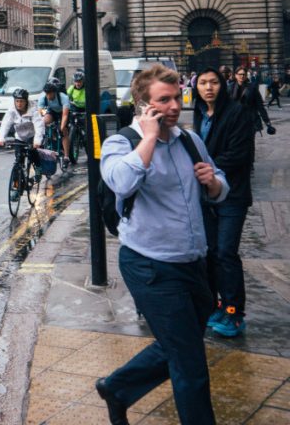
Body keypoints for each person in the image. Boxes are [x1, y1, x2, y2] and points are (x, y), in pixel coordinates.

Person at [97, 65, 228, 425]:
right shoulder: (121, 141)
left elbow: (219, 182)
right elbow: (119, 182)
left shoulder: (190, 140)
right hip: (150, 266)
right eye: (164, 100)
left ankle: (118, 387)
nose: (174, 106)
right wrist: (149, 139)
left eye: (177, 98)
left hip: (194, 263)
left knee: (178, 343)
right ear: (145, 104)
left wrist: (214, 184)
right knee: (190, 364)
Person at [192, 67, 255, 339]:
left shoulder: (237, 113)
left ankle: (234, 312)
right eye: (203, 83)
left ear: (222, 85)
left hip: (233, 195)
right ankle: (217, 305)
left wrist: (206, 168)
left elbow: (240, 154)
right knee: (210, 252)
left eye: (214, 82)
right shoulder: (199, 114)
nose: (208, 88)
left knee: (226, 253)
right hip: (207, 195)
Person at [0, 87, 45, 199]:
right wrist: (1, 138)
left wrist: (37, 141)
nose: (19, 104)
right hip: (19, 137)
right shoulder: (11, 111)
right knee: (18, 162)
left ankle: (38, 170)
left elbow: (39, 125)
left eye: (21, 101)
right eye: (17, 101)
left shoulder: (33, 110)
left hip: (31, 137)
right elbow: (5, 124)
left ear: (26, 101)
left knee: (33, 153)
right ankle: (16, 187)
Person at [37, 78, 70, 168]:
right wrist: (44, 122)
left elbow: (65, 115)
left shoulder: (63, 97)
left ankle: (66, 157)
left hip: (62, 112)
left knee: (63, 131)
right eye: (46, 93)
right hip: (52, 111)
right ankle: (50, 136)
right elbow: (41, 113)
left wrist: (62, 127)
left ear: (54, 92)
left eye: (50, 93)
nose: (48, 96)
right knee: (44, 121)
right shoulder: (43, 97)